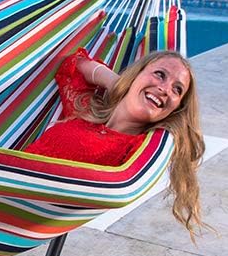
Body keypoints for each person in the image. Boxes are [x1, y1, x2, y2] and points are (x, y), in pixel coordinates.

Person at [25, 48, 205, 236]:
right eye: (160, 75)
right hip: (5, 186)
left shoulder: (138, 147)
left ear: (176, 108)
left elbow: (127, 184)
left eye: (177, 89)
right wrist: (120, 85)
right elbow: (74, 64)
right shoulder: (86, 110)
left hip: (21, 206)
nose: (165, 89)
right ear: (136, 74)